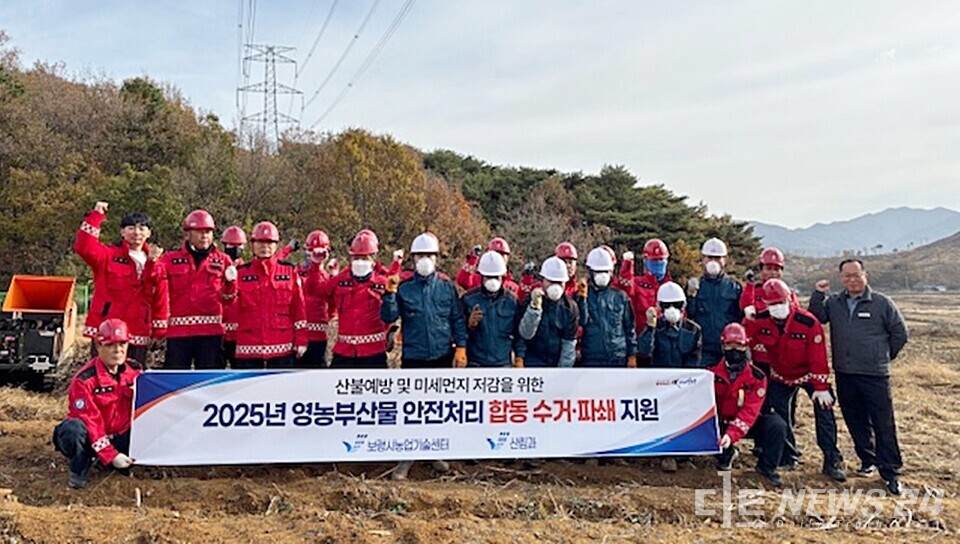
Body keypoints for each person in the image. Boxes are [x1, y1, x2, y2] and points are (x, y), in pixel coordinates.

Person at [808, 259, 908, 495]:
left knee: (883, 423)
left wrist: (882, 356)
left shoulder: (881, 303)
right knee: (855, 419)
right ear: (841, 278)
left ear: (865, 275)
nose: (852, 280)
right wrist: (817, 295)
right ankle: (867, 459)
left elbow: (900, 333)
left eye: (856, 275)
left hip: (875, 374)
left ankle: (891, 472)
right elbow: (817, 317)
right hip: (845, 372)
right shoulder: (835, 302)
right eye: (846, 276)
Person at [380, 232, 467, 479]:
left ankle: (433, 452)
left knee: (438, 408)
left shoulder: (446, 288)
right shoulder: (404, 289)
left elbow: (457, 320)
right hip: (414, 358)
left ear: (436, 258)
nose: (425, 259)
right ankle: (406, 459)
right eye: (420, 255)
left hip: (441, 355)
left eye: (429, 255)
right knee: (412, 409)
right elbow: (388, 317)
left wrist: (461, 347)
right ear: (413, 258)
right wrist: (389, 295)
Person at [744, 279, 846, 482]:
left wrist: (821, 387)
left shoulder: (807, 322)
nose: (777, 307)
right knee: (779, 417)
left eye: (781, 302)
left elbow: (818, 357)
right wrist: (747, 320)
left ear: (790, 300)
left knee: (824, 412)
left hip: (809, 374)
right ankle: (787, 455)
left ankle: (831, 459)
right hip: (780, 375)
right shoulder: (761, 320)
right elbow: (745, 340)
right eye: (772, 304)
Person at [74, 201, 167, 364]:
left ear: (149, 233)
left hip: (138, 330)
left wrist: (159, 329)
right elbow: (84, 248)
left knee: (132, 379)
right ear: (122, 232)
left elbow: (160, 297)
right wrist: (96, 216)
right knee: (101, 376)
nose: (136, 232)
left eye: (141, 228)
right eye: (131, 228)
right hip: (106, 328)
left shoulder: (157, 263)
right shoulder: (108, 256)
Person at [52, 319, 139, 489]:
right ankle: (80, 466)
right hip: (91, 438)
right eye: (110, 345)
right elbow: (90, 420)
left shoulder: (136, 372)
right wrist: (110, 454)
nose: (118, 350)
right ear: (98, 346)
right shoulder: (84, 380)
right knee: (72, 430)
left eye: (122, 343)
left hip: (119, 435)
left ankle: (112, 463)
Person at [711, 323, 788, 486]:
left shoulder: (758, 377)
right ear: (722, 346)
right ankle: (727, 453)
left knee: (777, 425)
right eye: (729, 345)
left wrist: (732, 434)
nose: (734, 350)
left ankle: (767, 468)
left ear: (746, 346)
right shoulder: (710, 373)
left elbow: (749, 411)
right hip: (719, 423)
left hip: (745, 423)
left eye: (738, 345)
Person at [225, 221, 307, 369]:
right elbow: (228, 302)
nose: (264, 247)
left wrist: (301, 338)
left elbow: (298, 307)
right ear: (252, 244)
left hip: (282, 349)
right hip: (248, 349)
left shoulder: (289, 272)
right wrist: (228, 284)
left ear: (276, 245)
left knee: (280, 392)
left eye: (269, 243)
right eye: (260, 242)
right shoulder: (241, 273)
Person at [159, 210, 234, 370]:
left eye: (208, 232)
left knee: (210, 383)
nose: (204, 236)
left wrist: (230, 284)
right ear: (188, 234)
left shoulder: (223, 260)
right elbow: (155, 285)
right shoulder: (170, 259)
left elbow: (229, 300)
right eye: (199, 232)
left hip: (211, 334)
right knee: (175, 383)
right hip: (179, 334)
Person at [320, 229, 391, 369]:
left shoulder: (382, 283)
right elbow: (323, 292)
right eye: (356, 258)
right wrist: (333, 272)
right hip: (344, 352)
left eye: (364, 258)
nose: (360, 262)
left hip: (373, 353)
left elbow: (392, 310)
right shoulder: (341, 281)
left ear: (373, 259)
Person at [686, 237, 743, 366]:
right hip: (703, 351)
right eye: (709, 258)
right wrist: (690, 296)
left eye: (717, 258)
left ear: (725, 260)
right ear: (702, 259)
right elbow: (689, 316)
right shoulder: (695, 286)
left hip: (729, 349)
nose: (713, 262)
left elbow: (741, 318)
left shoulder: (735, 287)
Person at [576, 247, 637, 368]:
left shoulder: (620, 296)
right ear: (591, 272)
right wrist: (582, 298)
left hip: (618, 357)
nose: (602, 275)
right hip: (592, 358)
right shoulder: (582, 295)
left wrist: (632, 355)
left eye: (605, 271)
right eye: (598, 272)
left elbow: (629, 327)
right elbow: (582, 322)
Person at [515, 257, 579, 368]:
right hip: (533, 360)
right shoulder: (530, 300)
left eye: (559, 282)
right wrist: (534, 309)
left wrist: (563, 372)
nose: (556, 286)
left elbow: (569, 344)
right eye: (551, 281)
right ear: (543, 280)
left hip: (557, 362)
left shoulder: (570, 307)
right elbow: (525, 334)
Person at [460, 251, 520, 368]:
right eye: (489, 277)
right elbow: (458, 330)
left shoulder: (512, 301)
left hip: (503, 364)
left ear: (502, 276)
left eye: (496, 277)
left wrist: (519, 357)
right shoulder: (468, 299)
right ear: (481, 276)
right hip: (475, 364)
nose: (493, 281)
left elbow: (519, 334)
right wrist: (469, 325)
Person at [638, 282, 702, 369]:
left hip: (683, 379)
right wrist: (650, 328)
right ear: (660, 307)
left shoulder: (693, 329)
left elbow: (695, 361)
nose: (672, 309)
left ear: (683, 305)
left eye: (677, 305)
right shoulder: (655, 328)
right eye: (666, 305)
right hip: (658, 378)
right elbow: (644, 352)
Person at [298, 230, 335, 368]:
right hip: (299, 335)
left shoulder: (327, 277)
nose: (314, 256)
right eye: (310, 253)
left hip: (319, 337)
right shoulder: (297, 273)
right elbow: (310, 289)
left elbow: (333, 306)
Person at [618, 238, 672, 336]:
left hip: (667, 341)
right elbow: (625, 288)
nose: (658, 263)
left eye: (661, 259)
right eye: (654, 260)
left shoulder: (671, 288)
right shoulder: (638, 284)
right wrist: (627, 266)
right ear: (645, 261)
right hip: (642, 338)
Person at [740, 247, 798, 320]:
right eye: (769, 269)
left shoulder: (789, 293)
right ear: (761, 270)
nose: (773, 273)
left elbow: (796, 314)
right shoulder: (753, 291)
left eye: (776, 269)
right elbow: (745, 307)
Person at [220, 226, 247, 368]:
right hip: (220, 332)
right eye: (232, 245)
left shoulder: (247, 271)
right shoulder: (217, 267)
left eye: (239, 245)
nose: (235, 248)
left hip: (240, 334)